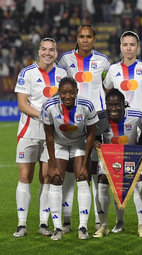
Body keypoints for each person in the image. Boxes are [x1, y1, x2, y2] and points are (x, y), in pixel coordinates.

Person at [103, 31, 142, 234]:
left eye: (132, 44)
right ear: (120, 47)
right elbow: (108, 91)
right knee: (118, 178)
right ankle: (120, 221)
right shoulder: (113, 70)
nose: (128, 48)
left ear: (138, 47)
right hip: (117, 128)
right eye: (125, 44)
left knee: (141, 180)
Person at [58, 23, 111, 233]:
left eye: (89, 36)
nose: (85, 39)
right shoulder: (65, 60)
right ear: (77, 38)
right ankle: (68, 220)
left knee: (97, 171)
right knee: (73, 170)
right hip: (74, 120)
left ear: (94, 39)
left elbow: (108, 88)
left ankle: (99, 219)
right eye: (81, 36)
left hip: (97, 119)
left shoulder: (104, 60)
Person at [13, 38, 67, 238]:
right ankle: (21, 224)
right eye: (44, 49)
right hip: (29, 132)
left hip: (52, 135)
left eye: (52, 50)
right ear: (38, 51)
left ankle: (43, 223)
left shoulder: (62, 74)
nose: (48, 53)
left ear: (56, 52)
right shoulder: (27, 73)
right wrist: (43, 116)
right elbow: (22, 104)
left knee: (47, 177)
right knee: (25, 177)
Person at [41, 76, 98, 241]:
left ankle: (83, 227)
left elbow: (91, 134)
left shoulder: (86, 106)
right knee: (56, 178)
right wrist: (52, 163)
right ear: (58, 92)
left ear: (77, 92)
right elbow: (49, 136)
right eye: (64, 92)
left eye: (71, 92)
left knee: (82, 176)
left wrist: (86, 162)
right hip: (59, 144)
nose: (68, 96)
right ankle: (57, 228)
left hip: (79, 144)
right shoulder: (49, 106)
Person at [92, 88, 142, 238]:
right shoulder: (100, 117)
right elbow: (95, 137)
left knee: (139, 181)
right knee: (103, 181)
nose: (113, 108)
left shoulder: (136, 116)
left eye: (117, 104)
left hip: (132, 155)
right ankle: (103, 225)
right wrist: (95, 143)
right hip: (110, 156)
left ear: (124, 104)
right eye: (110, 105)